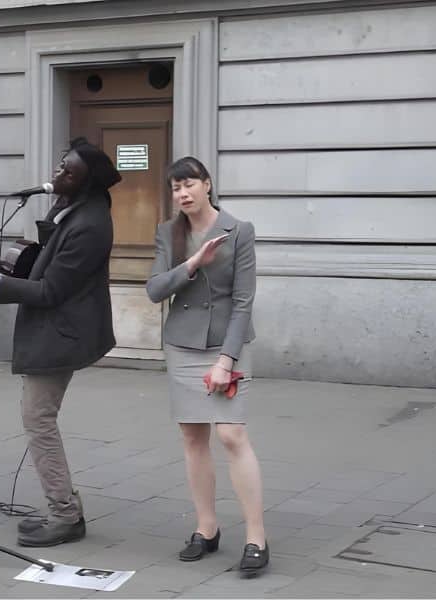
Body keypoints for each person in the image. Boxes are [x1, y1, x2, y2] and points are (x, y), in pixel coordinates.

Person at [0, 137, 119, 547]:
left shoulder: (90, 224)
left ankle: (65, 515)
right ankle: (66, 507)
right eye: (59, 166)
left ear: (85, 181)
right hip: (54, 329)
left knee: (38, 419)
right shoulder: (69, 210)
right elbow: (37, 268)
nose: (57, 174)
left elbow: (50, 290)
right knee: (38, 418)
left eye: (68, 171)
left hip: (63, 333)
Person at [145, 157, 268, 573]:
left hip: (226, 345)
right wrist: (193, 263)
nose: (183, 193)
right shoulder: (168, 232)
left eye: (189, 184)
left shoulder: (240, 231)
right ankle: (207, 529)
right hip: (182, 345)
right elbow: (155, 290)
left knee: (232, 435)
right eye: (176, 187)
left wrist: (226, 360)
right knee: (193, 438)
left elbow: (243, 301)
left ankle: (256, 537)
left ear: (208, 185)